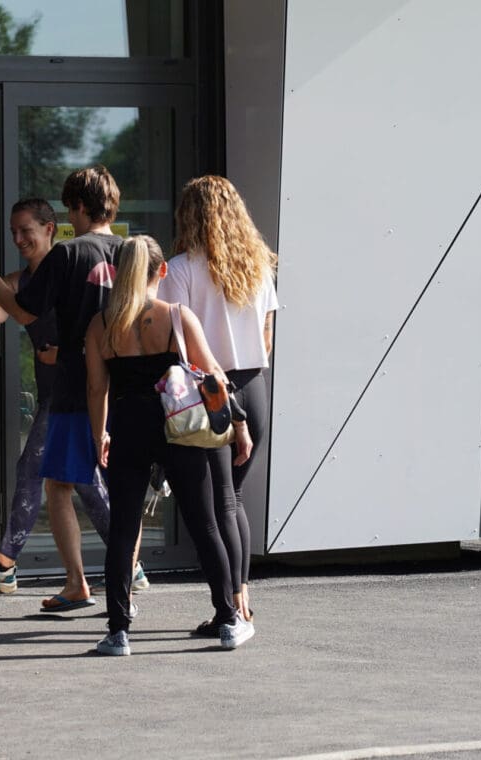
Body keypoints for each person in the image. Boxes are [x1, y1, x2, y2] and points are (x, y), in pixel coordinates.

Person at [0, 167, 146, 611]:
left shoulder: (69, 253)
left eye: (70, 209)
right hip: (128, 385)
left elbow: (25, 312)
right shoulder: (133, 252)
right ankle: (125, 582)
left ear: (77, 207)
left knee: (59, 486)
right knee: (124, 488)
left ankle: (75, 583)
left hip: (75, 386)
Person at [86, 235, 254, 655]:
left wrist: (100, 434)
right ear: (161, 270)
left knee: (124, 529)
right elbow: (213, 376)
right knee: (204, 524)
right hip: (178, 428)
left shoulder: (101, 325)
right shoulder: (177, 316)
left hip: (128, 428)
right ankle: (228, 620)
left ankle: (118, 631)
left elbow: (96, 388)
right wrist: (240, 425)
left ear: (117, 272)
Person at [158, 175, 278, 633]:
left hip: (210, 391)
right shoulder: (258, 267)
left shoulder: (181, 269)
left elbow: (178, 343)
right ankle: (241, 599)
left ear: (189, 215)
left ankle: (229, 609)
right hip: (254, 385)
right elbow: (266, 338)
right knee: (233, 499)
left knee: (217, 505)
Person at [0, 198, 114, 599]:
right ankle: (130, 561)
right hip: (53, 393)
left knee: (35, 471)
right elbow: (11, 302)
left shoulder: (66, 268)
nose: (18, 239)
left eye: (26, 231)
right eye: (13, 232)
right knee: (81, 481)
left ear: (49, 229)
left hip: (69, 393)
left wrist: (63, 351)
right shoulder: (25, 279)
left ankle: (5, 564)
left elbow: (42, 316)